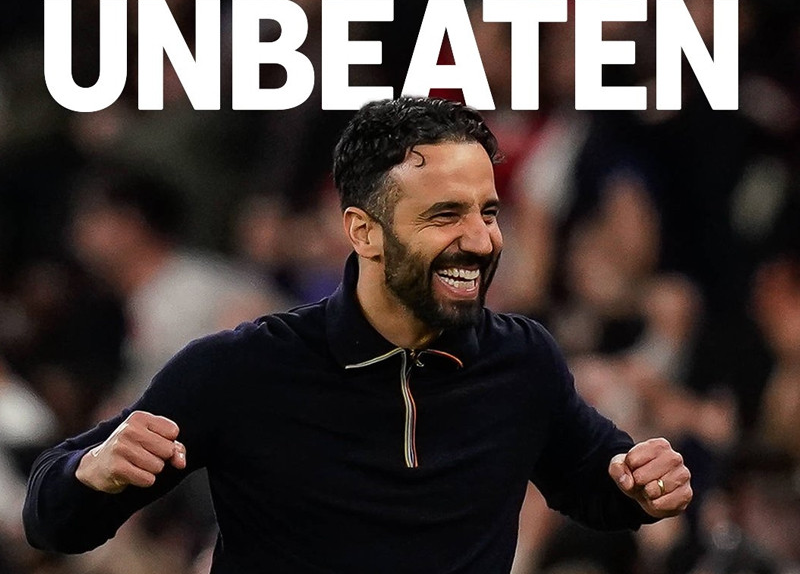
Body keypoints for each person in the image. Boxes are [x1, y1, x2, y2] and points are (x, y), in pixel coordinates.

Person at [23, 97, 692, 573]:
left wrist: (637, 486)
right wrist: (93, 473)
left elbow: (592, 480)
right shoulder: (246, 367)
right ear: (364, 231)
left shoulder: (522, 359)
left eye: (489, 212)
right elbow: (53, 520)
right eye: (445, 215)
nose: (482, 240)